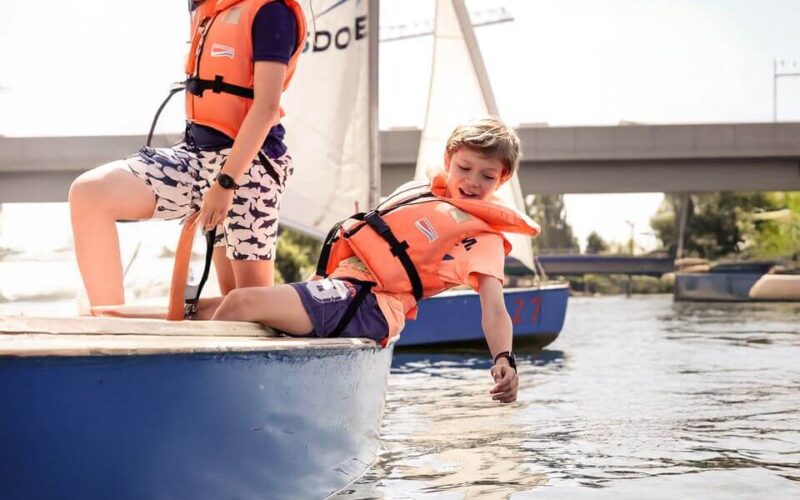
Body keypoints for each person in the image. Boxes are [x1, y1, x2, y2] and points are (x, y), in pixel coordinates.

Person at [208, 117, 540, 404]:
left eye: (487, 176)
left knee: (240, 302)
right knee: (199, 310)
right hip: (339, 287)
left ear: (503, 178)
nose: (472, 182)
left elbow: (495, 309)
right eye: (465, 168)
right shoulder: (421, 192)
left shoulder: (484, 240)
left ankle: (209, 402)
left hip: (370, 306)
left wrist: (504, 357)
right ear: (449, 159)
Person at [68, 0, 307, 310]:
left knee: (246, 302)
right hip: (195, 157)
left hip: (248, 166)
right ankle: (111, 325)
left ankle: (304, 312)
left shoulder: (271, 11)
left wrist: (224, 184)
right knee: (90, 194)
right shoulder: (208, 10)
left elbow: (266, 107)